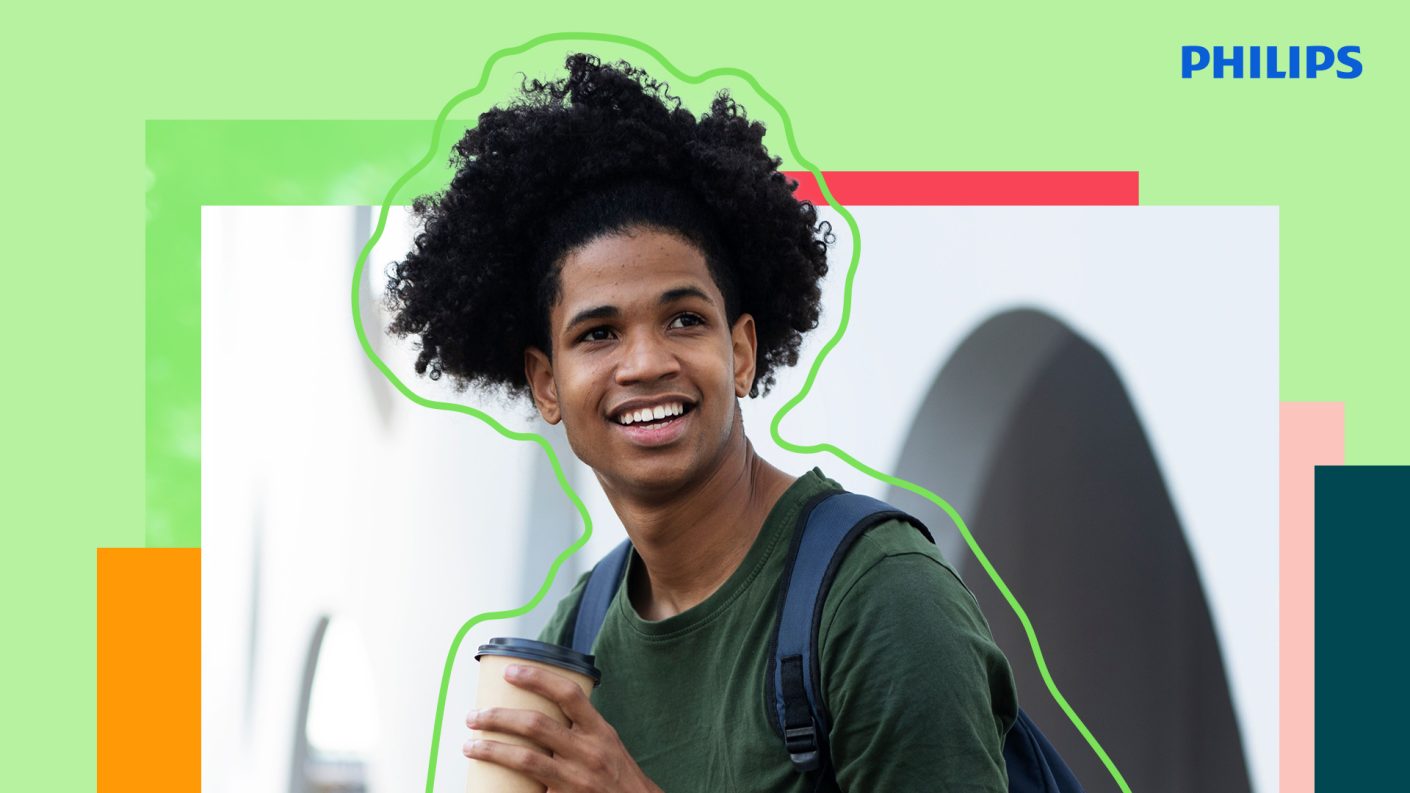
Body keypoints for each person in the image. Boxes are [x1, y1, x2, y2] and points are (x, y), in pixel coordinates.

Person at [386, 53, 1017, 792]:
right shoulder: (577, 635)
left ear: (741, 351)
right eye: (598, 334)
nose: (646, 361)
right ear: (546, 383)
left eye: (685, 318)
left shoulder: (880, 599)